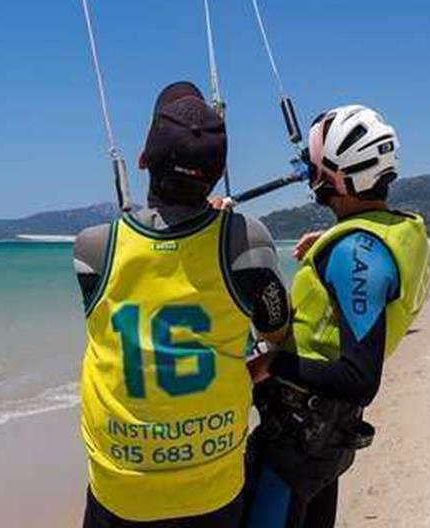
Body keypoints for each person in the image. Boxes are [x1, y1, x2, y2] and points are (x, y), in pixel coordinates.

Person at [73, 81, 291, 527]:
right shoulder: (245, 241)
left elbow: (149, 243)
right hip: (212, 486)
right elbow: (278, 338)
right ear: (217, 175)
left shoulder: (93, 249)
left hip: (121, 488)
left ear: (142, 160)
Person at [244, 104, 430, 528]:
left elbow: (360, 379)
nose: (307, 173)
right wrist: (335, 239)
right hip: (327, 440)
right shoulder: (400, 230)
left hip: (300, 440)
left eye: (312, 166)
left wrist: (273, 363)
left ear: (337, 176)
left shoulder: (354, 253)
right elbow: (377, 257)